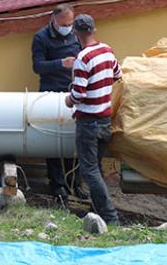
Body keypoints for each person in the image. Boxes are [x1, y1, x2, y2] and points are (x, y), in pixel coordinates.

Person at [65, 14, 121, 225]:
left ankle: (109, 217)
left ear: (76, 33)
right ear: (93, 30)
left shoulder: (82, 59)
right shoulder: (107, 51)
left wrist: (69, 100)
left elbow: (79, 94)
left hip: (88, 122)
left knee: (89, 171)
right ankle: (99, 211)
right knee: (95, 168)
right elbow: (117, 75)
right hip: (105, 119)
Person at [32, 4, 86, 201]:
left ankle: (75, 183)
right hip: (50, 92)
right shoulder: (41, 37)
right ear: (53, 20)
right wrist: (60, 64)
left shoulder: (76, 35)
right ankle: (57, 185)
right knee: (52, 139)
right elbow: (37, 66)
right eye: (63, 24)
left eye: (70, 23)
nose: (67, 27)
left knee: (74, 138)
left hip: (73, 90)